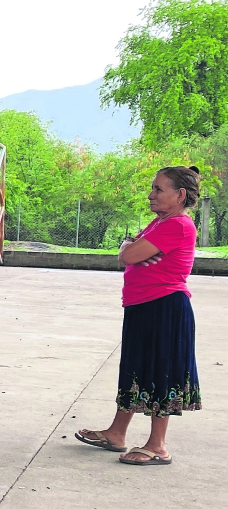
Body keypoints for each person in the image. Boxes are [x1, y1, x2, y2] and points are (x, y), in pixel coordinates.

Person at [75, 166, 202, 466]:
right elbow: (128, 251)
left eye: (159, 189)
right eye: (153, 188)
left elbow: (128, 255)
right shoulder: (159, 223)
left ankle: (157, 446)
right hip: (142, 305)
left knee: (161, 372)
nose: (151, 195)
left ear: (180, 195)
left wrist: (132, 247)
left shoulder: (178, 226)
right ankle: (117, 433)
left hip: (165, 307)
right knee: (135, 368)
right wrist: (131, 247)